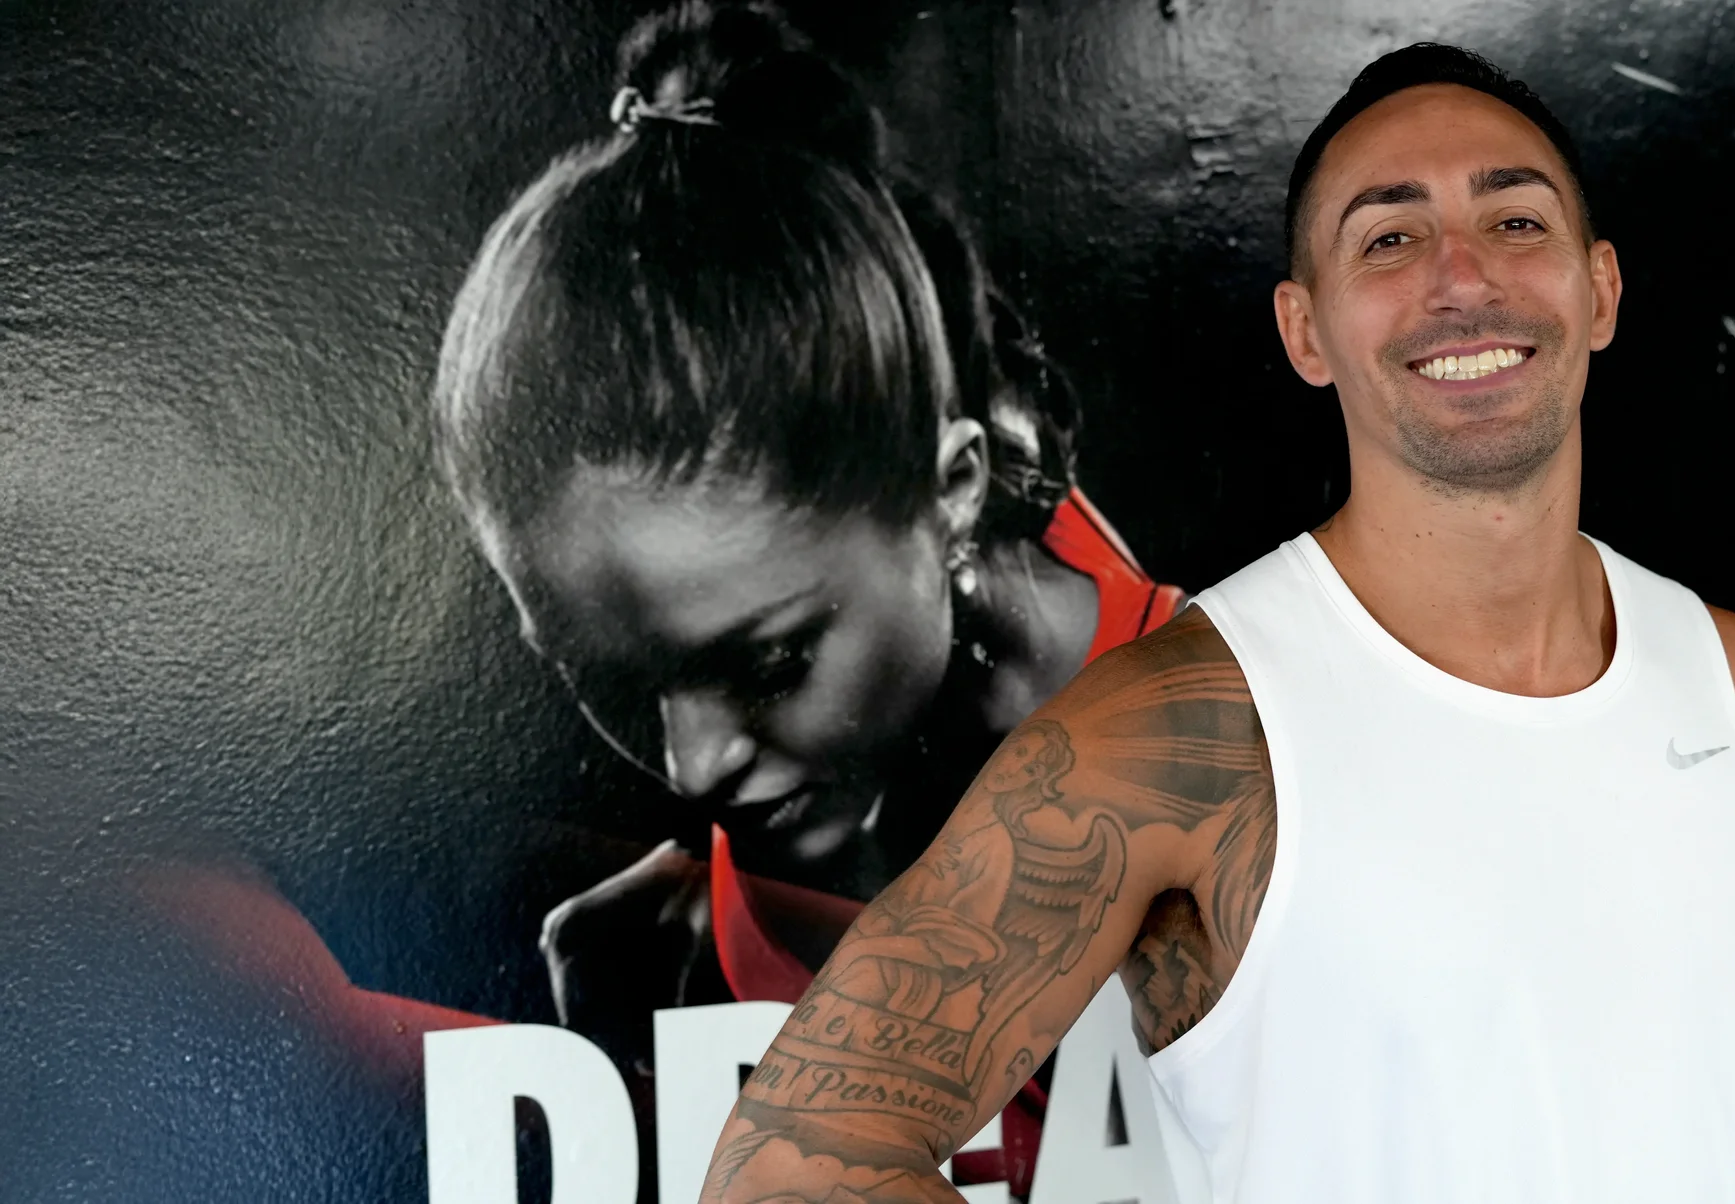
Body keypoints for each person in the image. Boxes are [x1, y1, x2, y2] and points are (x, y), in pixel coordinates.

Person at [697, 42, 1735, 1204]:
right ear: (1306, 330)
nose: (1464, 277)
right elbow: (796, 1159)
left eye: (1517, 224)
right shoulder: (1181, 732)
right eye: (1388, 239)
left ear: (1602, 292)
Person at [429, 1, 1180, 1190]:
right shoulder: (692, 924)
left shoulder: (1256, 767)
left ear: (950, 496)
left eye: (768, 662)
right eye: (613, 680)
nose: (692, 770)